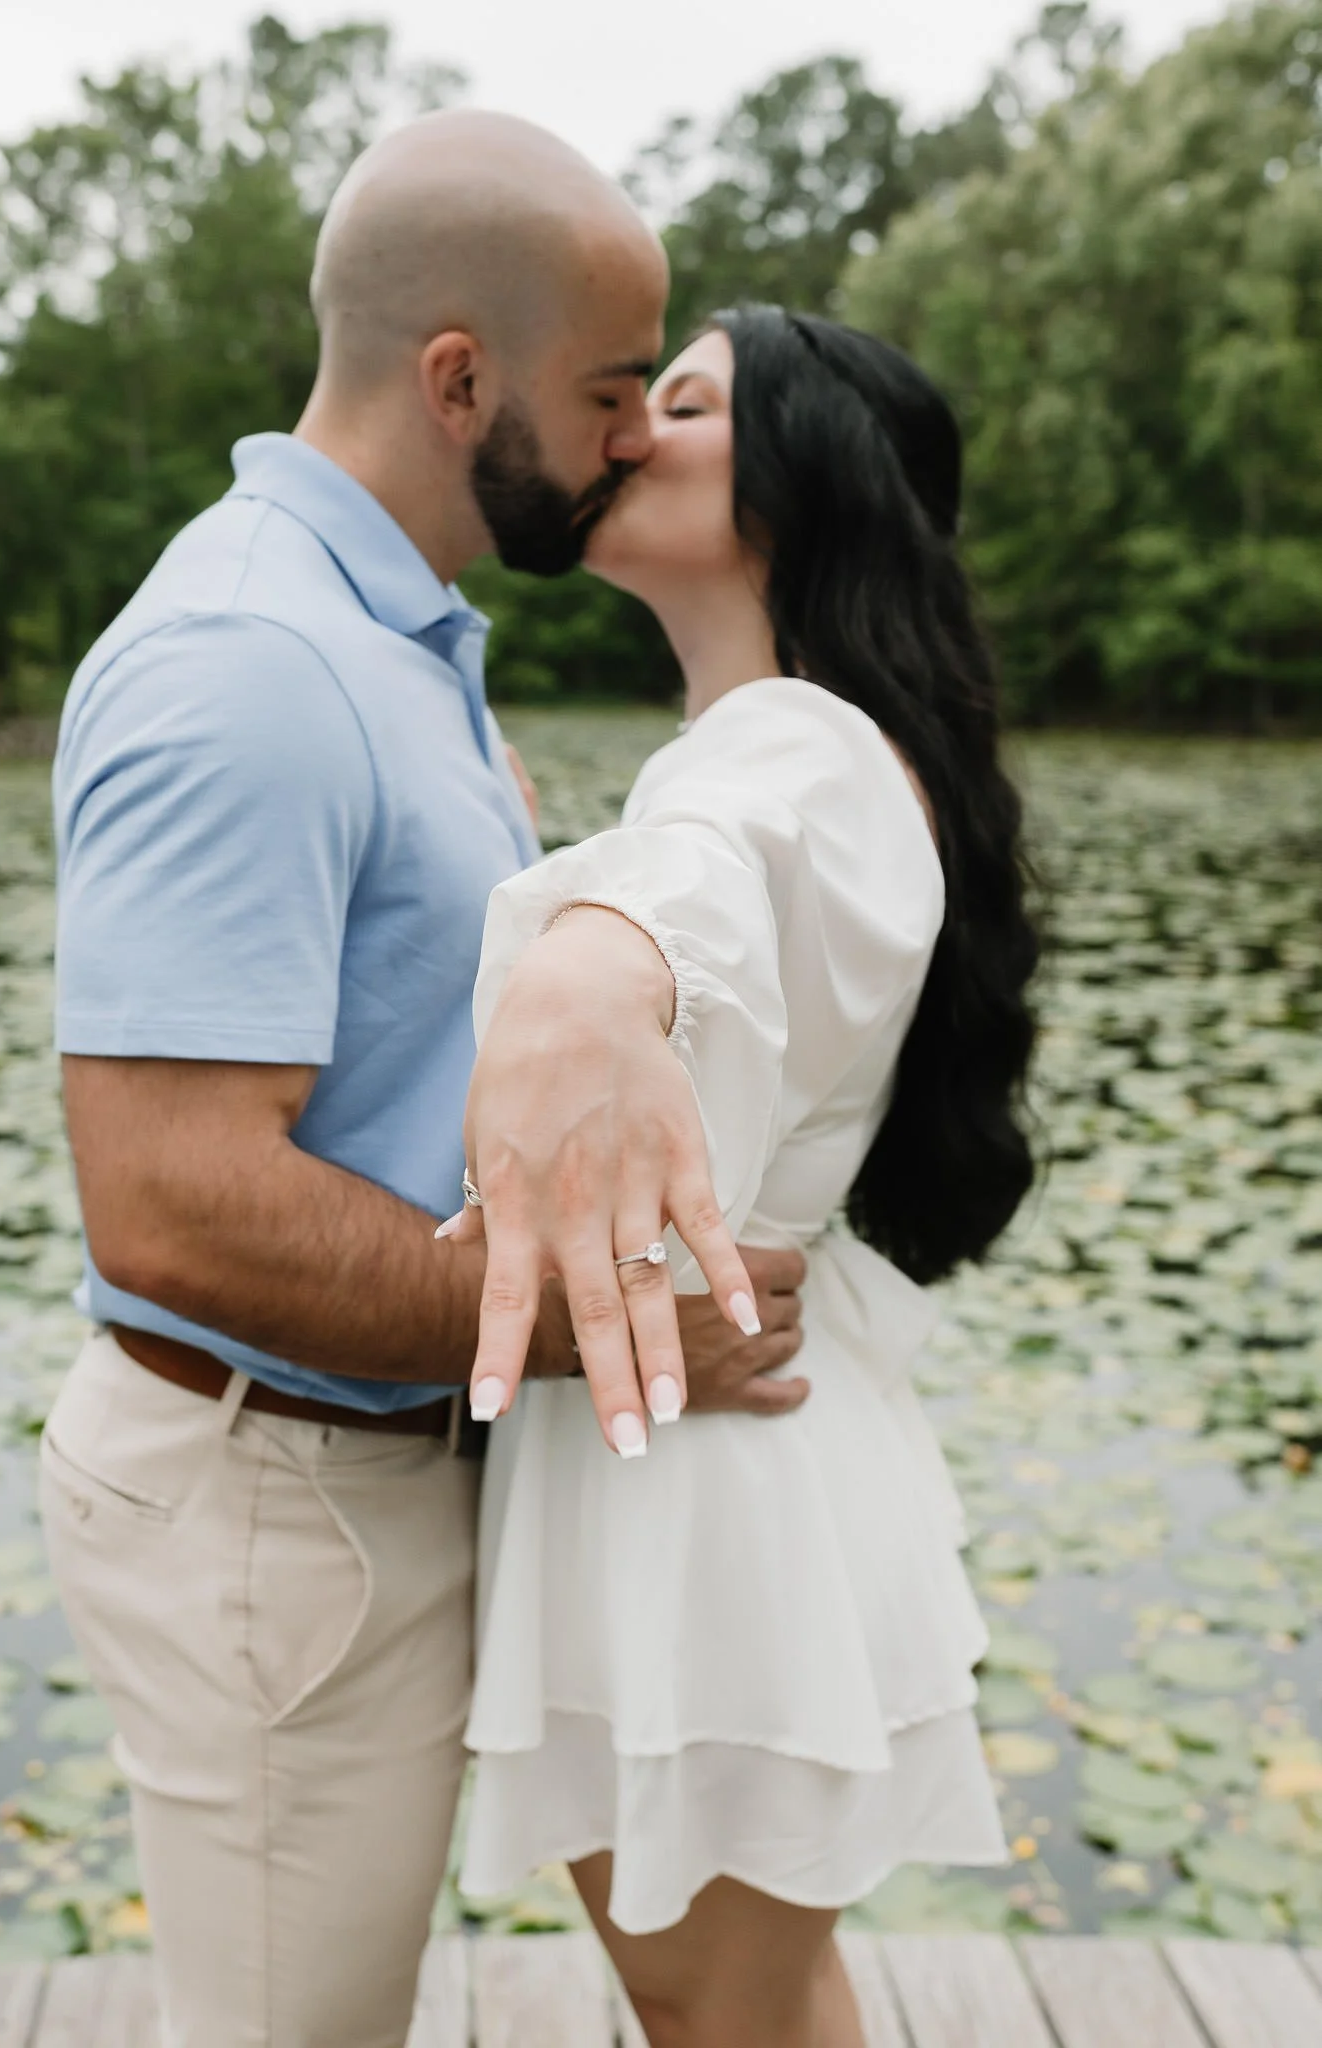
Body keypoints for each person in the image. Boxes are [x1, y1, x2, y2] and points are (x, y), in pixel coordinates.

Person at [38, 118, 809, 2048]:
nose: (636, 436)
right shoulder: (250, 659)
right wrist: (613, 1333)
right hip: (270, 1499)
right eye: (610, 391)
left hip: (393, 1474)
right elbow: (173, 1199)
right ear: (457, 378)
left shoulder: (391, 636)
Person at [447, 309, 1042, 2048]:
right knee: (753, 2013)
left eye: (684, 402)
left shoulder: (797, 748)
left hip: (705, 1487)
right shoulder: (776, 748)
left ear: (804, 481)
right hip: (711, 1456)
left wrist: (595, 945)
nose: (628, 433)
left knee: (717, 2018)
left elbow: (708, 877)